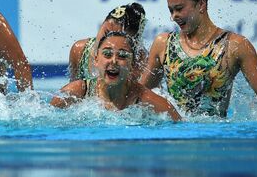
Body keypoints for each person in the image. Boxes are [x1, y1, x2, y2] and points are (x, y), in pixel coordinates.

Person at [141, 0, 257, 118]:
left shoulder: (235, 46)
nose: (174, 16)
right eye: (171, 10)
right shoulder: (163, 44)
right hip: (175, 136)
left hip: (214, 134)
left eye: (179, 8)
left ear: (201, 4)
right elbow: (139, 93)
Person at [51, 31, 181, 121]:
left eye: (123, 56)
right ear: (96, 60)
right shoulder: (77, 92)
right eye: (107, 54)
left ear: (133, 65)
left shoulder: (147, 101)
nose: (113, 61)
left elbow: (179, 126)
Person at [69, 3, 147, 82]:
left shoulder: (141, 63)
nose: (109, 42)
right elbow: (72, 91)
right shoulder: (80, 51)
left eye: (118, 38)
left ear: (134, 42)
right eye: (106, 33)